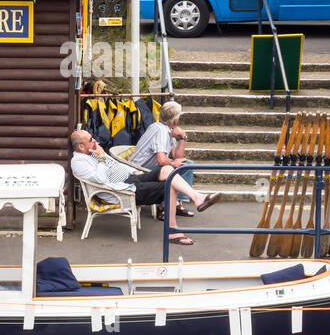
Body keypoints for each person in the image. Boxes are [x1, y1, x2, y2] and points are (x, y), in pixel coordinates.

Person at [70, 129, 219, 245]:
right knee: (170, 186)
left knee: (167, 170)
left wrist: (134, 171)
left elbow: (115, 165)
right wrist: (102, 158)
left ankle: (197, 197)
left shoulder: (93, 151)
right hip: (121, 191)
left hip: (130, 179)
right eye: (90, 139)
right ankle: (173, 232)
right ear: (81, 146)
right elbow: (101, 179)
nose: (94, 140)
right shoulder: (79, 162)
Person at [130, 100, 196, 215]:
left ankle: (175, 203)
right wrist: (173, 164)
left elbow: (177, 156)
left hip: (150, 165)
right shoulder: (160, 131)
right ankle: (166, 207)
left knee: (187, 163)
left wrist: (182, 137)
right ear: (176, 120)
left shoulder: (166, 130)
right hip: (140, 168)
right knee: (181, 167)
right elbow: (161, 159)